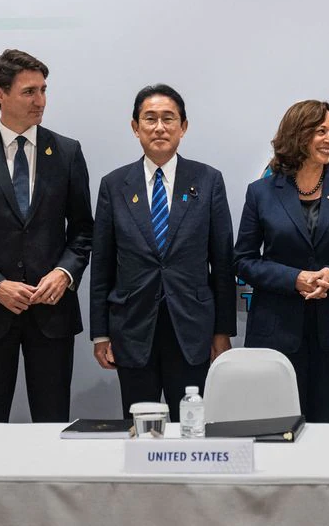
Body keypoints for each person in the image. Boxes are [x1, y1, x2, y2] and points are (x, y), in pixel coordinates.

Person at [0, 49, 93, 422]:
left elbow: (83, 231)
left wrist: (64, 273)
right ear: (0, 94)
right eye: (29, 92)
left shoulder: (68, 152)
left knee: (53, 422)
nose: (40, 101)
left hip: (52, 313)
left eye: (43, 90)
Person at [90, 84, 236, 423]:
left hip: (192, 330)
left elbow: (222, 263)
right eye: (150, 119)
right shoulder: (114, 185)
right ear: (135, 127)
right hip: (132, 329)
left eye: (168, 119)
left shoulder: (208, 180)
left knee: (191, 429)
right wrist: (101, 333)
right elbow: (102, 265)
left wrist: (222, 332)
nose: (159, 127)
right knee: (140, 428)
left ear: (183, 127)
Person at [234, 100, 329, 423]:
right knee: (279, 423)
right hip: (276, 328)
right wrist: (294, 279)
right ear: (297, 135)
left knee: (327, 422)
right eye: (320, 131)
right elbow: (243, 260)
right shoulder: (261, 192)